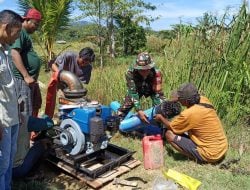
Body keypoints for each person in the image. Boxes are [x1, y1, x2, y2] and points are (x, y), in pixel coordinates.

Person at [154, 82, 228, 164]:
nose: (178, 99)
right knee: (185, 129)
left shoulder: (190, 114)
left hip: (211, 153)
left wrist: (161, 118)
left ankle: (200, 159)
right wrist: (175, 99)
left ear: (186, 101)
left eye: (180, 98)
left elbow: (172, 127)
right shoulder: (204, 100)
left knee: (169, 134)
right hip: (222, 148)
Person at [0, 9, 23, 190]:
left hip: (12, 116)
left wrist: (18, 111)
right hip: (2, 122)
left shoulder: (5, 51)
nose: (17, 38)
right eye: (17, 33)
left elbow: (8, 86)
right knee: (1, 164)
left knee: (8, 161)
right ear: (7, 27)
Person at [45, 47, 95, 118]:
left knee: (78, 104)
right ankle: (58, 118)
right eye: (83, 61)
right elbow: (53, 65)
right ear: (79, 56)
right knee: (61, 101)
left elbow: (82, 83)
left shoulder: (88, 68)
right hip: (59, 82)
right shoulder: (68, 56)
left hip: (73, 88)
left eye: (88, 63)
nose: (84, 64)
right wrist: (61, 74)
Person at [118, 52, 165, 123]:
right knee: (126, 105)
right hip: (137, 88)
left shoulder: (156, 72)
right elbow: (133, 92)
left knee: (162, 106)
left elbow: (157, 92)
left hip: (150, 87)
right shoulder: (130, 73)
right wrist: (139, 110)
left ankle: (161, 125)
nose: (144, 72)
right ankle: (119, 123)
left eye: (147, 69)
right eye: (141, 70)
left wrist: (159, 108)